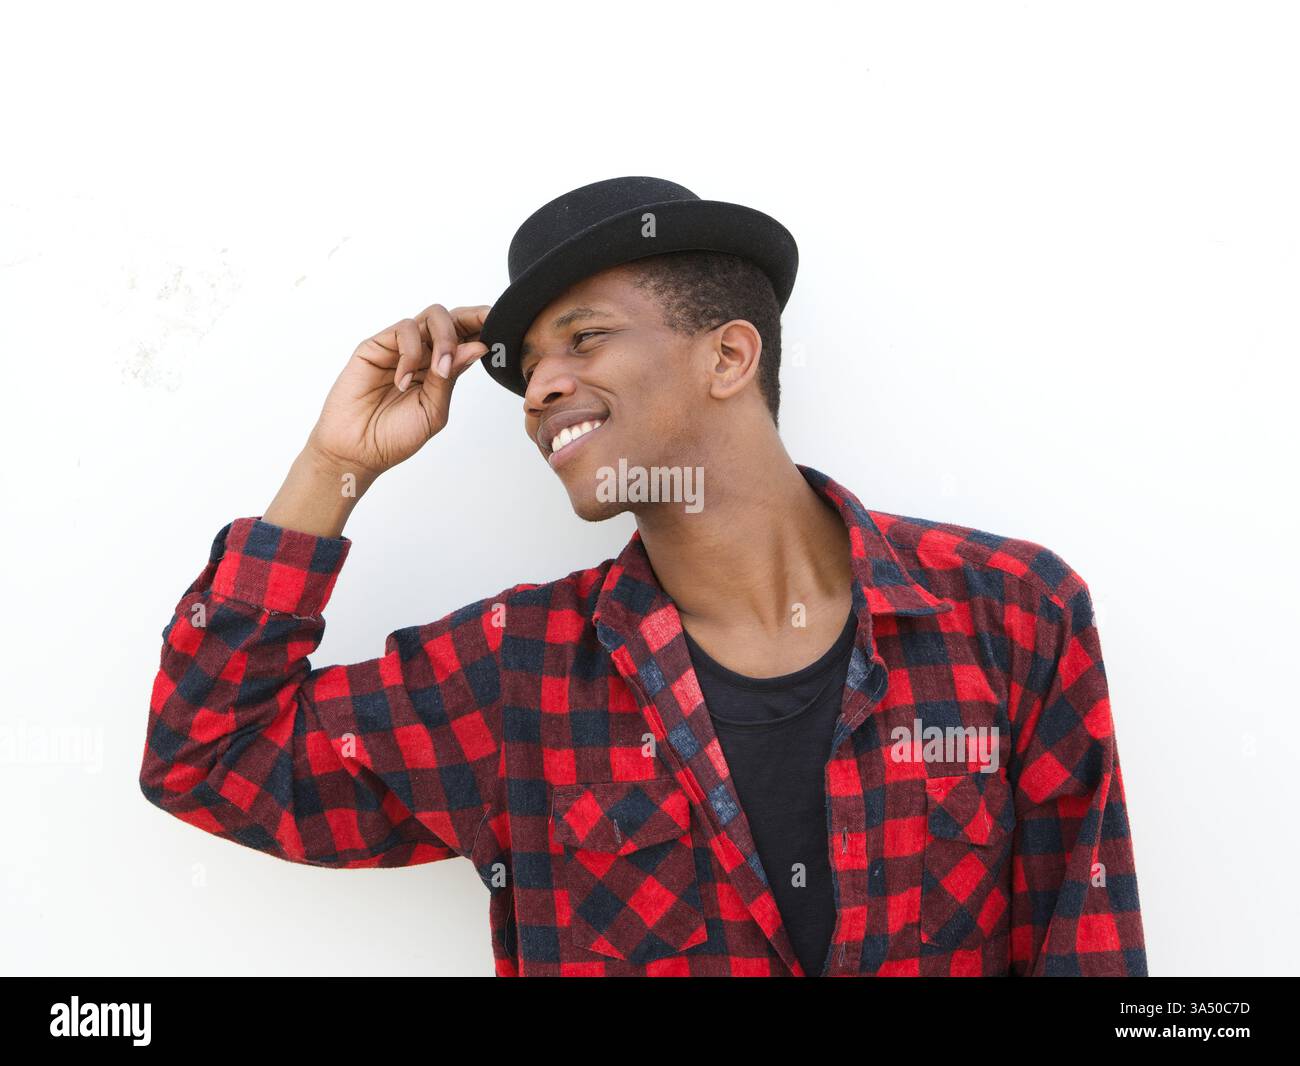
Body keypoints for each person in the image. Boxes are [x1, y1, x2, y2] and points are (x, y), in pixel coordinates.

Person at [139, 176, 1146, 977]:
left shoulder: (1012, 615)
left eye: (583, 338)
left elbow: (1086, 951)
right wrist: (334, 463)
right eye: (528, 366)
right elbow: (207, 753)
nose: (540, 388)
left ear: (728, 356)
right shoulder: (514, 676)